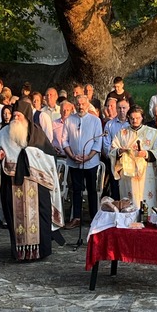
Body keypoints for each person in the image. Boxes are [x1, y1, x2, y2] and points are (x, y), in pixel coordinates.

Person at [0, 101, 65, 260]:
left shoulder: (37, 134)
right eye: (14, 115)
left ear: (26, 117)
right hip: (11, 184)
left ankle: (41, 251)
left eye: (19, 115)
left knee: (40, 216)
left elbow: (49, 159)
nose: (15, 119)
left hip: (37, 186)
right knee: (15, 217)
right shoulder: (4, 133)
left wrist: (30, 155)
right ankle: (19, 251)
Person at [110, 106, 157, 209]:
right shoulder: (122, 133)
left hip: (146, 174)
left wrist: (147, 154)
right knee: (130, 202)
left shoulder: (153, 133)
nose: (134, 120)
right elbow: (112, 150)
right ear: (128, 118)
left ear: (142, 118)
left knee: (147, 200)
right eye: (132, 118)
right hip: (128, 175)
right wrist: (120, 151)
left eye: (137, 118)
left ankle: (147, 221)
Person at [63, 95, 103, 228]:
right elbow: (64, 140)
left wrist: (88, 156)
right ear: (75, 105)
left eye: (83, 104)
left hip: (90, 162)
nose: (81, 107)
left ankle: (93, 218)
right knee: (76, 189)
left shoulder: (95, 120)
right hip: (74, 160)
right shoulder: (69, 120)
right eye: (78, 104)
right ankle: (76, 217)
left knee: (91, 189)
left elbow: (98, 141)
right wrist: (72, 155)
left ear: (88, 104)